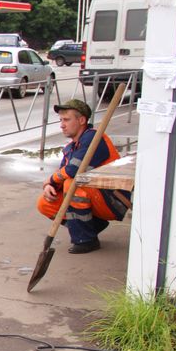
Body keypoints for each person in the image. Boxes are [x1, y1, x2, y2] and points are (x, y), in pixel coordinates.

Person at [36, 99, 131, 254]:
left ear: (81, 120)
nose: (62, 125)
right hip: (96, 196)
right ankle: (93, 225)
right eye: (61, 120)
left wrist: (51, 179)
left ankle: (86, 240)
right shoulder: (71, 147)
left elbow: (74, 169)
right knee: (44, 203)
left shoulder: (95, 138)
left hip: (114, 199)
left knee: (71, 184)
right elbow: (63, 173)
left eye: (66, 120)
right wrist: (50, 186)